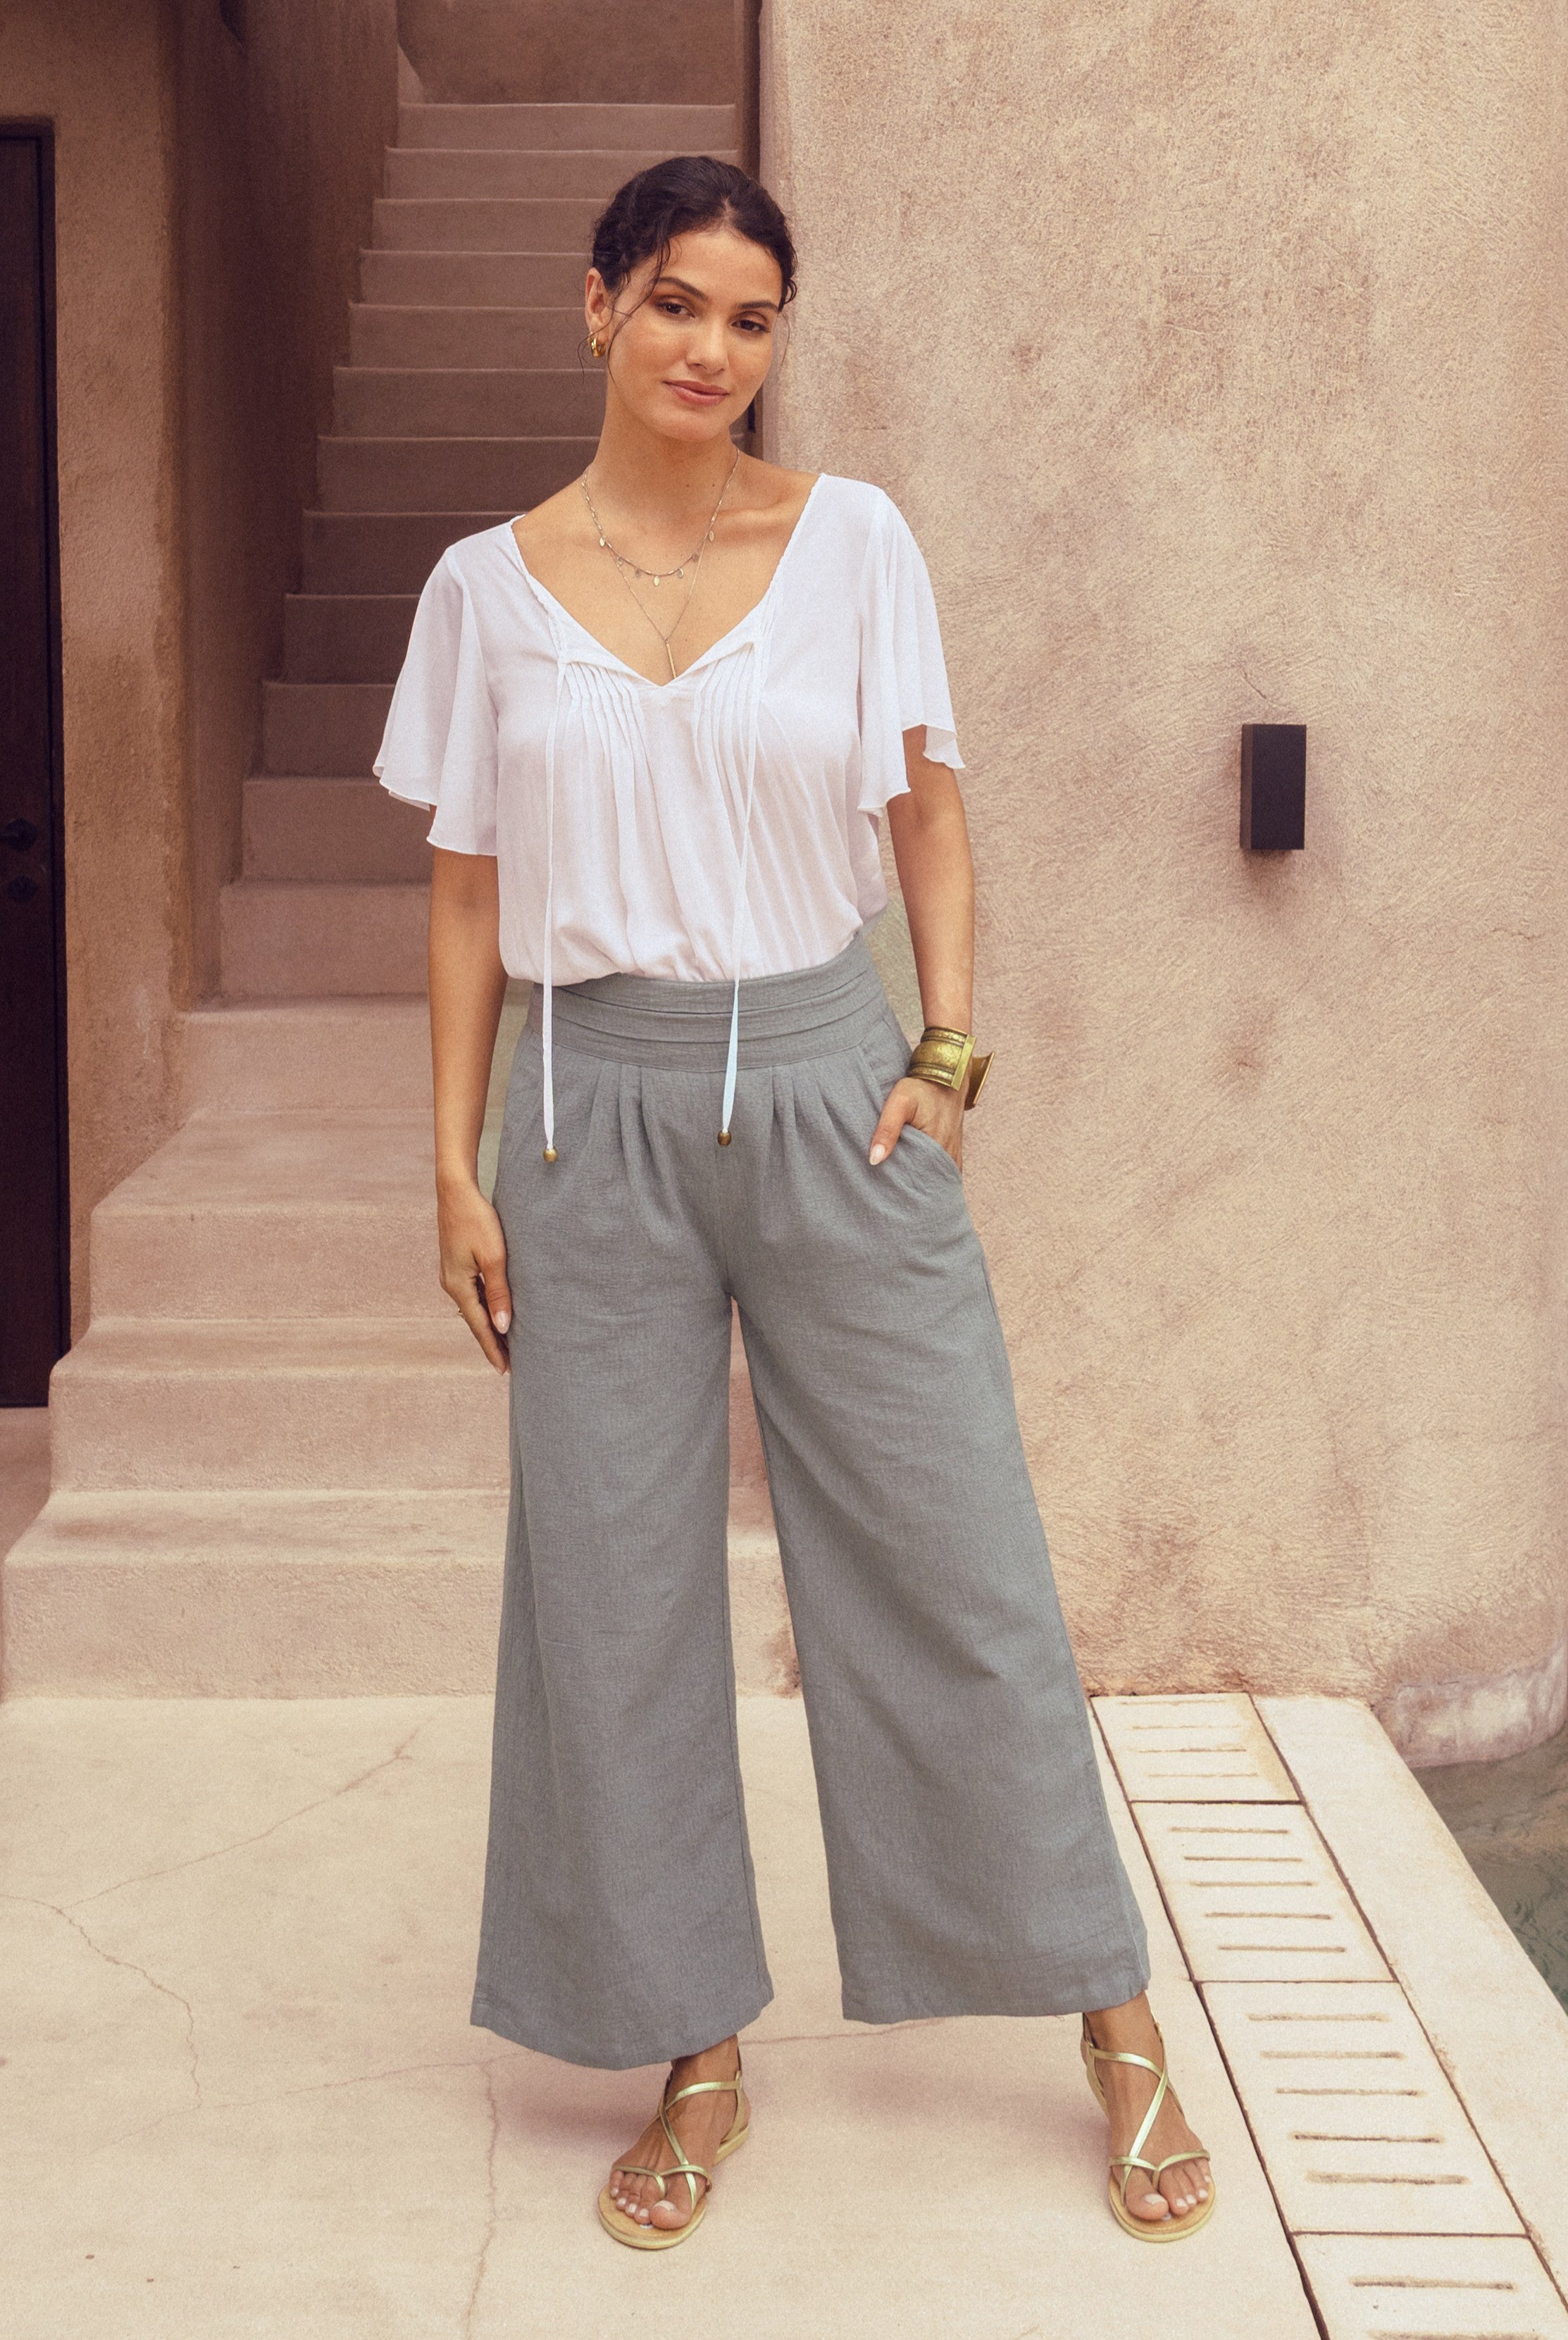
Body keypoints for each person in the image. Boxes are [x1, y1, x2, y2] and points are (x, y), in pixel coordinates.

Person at [375, 155, 1214, 2250]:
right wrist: (451, 1164)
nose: (711, 352)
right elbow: (467, 891)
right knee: (613, 1597)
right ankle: (694, 2043)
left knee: (952, 1553)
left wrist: (946, 1048)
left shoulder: (847, 542)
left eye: (751, 319)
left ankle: (1112, 2020)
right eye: (675, 303)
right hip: (585, 1120)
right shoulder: (487, 586)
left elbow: (922, 803)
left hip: (832, 1084)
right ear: (594, 307)